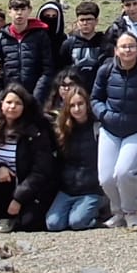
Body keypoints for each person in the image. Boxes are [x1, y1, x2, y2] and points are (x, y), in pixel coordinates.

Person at [91, 31, 137, 228]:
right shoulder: (105, 70)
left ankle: (131, 213)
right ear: (116, 50)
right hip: (109, 128)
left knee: (124, 172)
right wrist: (104, 114)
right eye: (123, 46)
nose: (127, 50)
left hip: (136, 130)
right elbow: (95, 99)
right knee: (105, 178)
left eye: (131, 46)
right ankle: (118, 212)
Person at [0, 84, 57, 233]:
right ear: (1, 105)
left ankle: (15, 216)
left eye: (18, 103)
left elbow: (40, 172)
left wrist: (19, 199)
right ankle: (2, 216)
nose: (12, 106)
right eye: (9, 102)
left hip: (30, 189)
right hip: (6, 184)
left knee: (29, 224)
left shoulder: (35, 132)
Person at [45, 90, 106, 232]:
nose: (77, 109)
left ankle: (101, 211)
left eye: (80, 104)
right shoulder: (64, 129)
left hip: (91, 189)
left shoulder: (97, 127)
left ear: (87, 105)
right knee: (53, 224)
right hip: (68, 189)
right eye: (72, 105)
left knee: (77, 222)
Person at [0, 0, 55, 103]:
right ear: (9, 12)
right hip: (9, 97)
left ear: (29, 10)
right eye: (16, 9)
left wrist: (37, 96)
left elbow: (47, 69)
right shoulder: (0, 38)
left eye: (23, 9)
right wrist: (3, 94)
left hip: (34, 96)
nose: (19, 13)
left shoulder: (40, 36)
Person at [59, 1, 112, 94]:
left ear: (96, 21)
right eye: (82, 20)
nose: (85, 23)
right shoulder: (68, 44)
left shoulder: (105, 43)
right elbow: (62, 70)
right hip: (75, 93)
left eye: (89, 19)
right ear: (77, 22)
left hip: (100, 93)